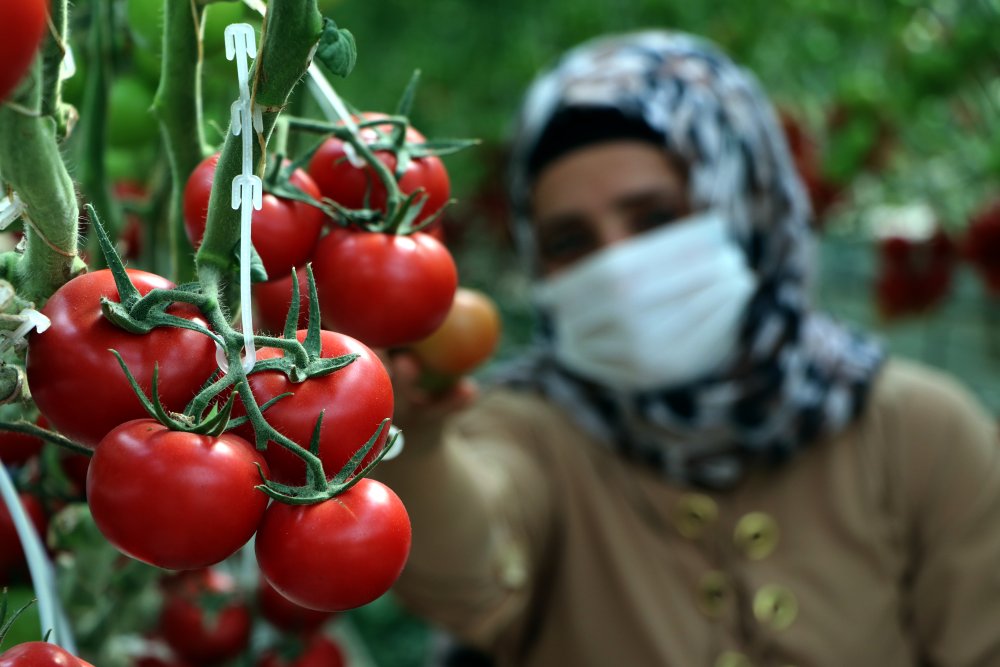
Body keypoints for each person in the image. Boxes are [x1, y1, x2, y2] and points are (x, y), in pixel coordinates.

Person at [376, 30, 1000, 667]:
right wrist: (416, 437)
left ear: (747, 209)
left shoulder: (917, 435)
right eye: (569, 242)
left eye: (654, 219)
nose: (617, 268)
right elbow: (471, 572)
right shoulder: (529, 432)